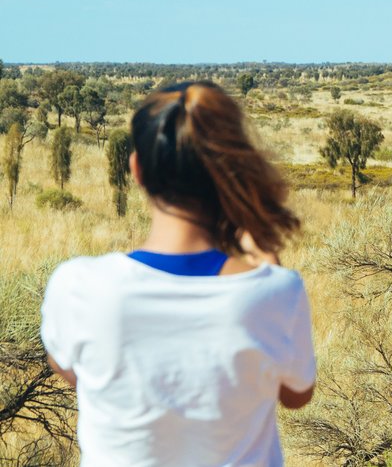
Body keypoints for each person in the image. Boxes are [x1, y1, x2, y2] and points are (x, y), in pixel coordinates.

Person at [40, 81, 316, 467]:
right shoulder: (276, 292)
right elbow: (296, 394)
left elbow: (75, 371)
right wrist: (267, 264)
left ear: (136, 169)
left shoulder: (78, 286)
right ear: (229, 170)